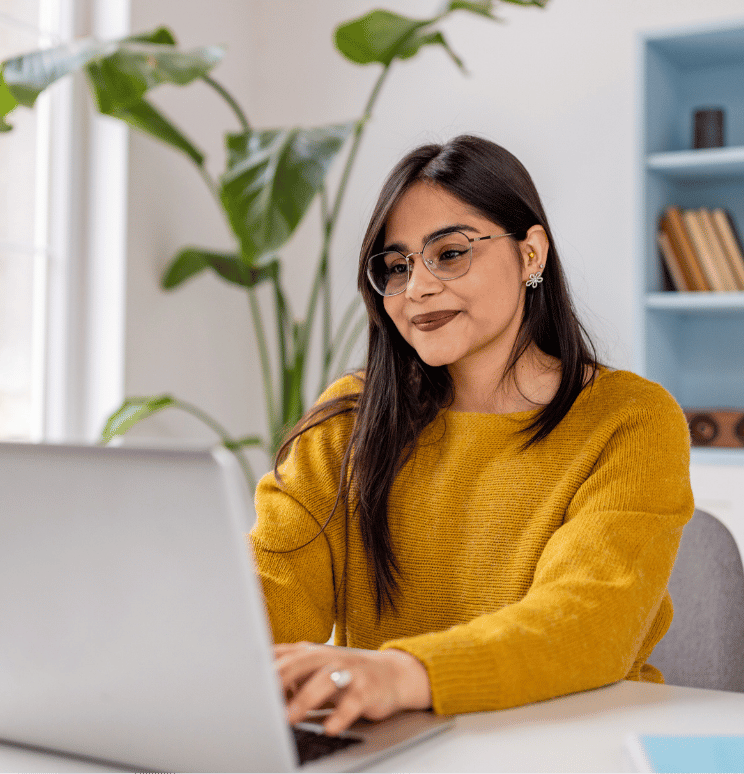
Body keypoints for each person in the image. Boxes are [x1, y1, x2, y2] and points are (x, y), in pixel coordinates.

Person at [249, 135, 694, 737]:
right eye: (397, 265)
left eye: (451, 253)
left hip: (580, 740)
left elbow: (587, 621)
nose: (417, 289)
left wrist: (404, 673)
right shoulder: (349, 419)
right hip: (404, 745)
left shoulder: (631, 419)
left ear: (530, 254)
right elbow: (274, 590)